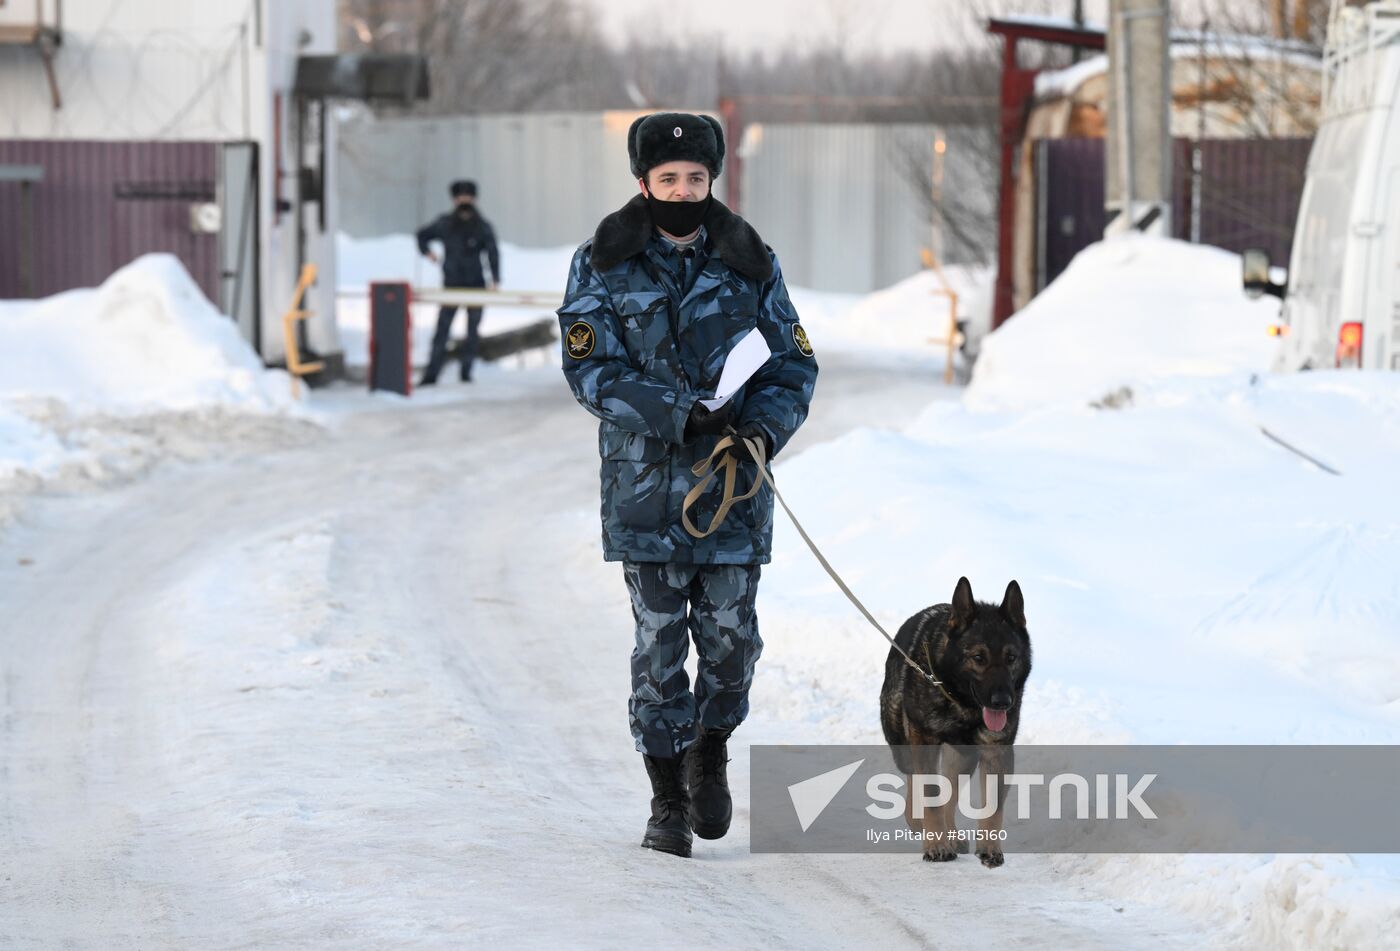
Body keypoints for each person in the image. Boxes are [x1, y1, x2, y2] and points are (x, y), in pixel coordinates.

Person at [557, 112, 818, 858]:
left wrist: (762, 431)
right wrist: (679, 415)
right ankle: (666, 796)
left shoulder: (748, 260)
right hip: (645, 493)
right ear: (643, 182)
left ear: (712, 181)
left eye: (695, 179)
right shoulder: (602, 262)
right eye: (668, 179)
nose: (682, 190)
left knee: (732, 645)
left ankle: (712, 742)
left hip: (732, 492)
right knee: (660, 648)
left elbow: (793, 364)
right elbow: (591, 370)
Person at [415, 180, 500, 384]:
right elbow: (422, 235)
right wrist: (428, 253)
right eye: (460, 196)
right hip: (451, 285)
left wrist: (495, 279)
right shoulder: (445, 223)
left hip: (476, 285)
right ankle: (431, 375)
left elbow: (492, 252)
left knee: (472, 332)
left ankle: (466, 373)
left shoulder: (482, 225)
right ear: (454, 199)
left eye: (467, 196)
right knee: (442, 331)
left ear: (474, 198)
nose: (464, 199)